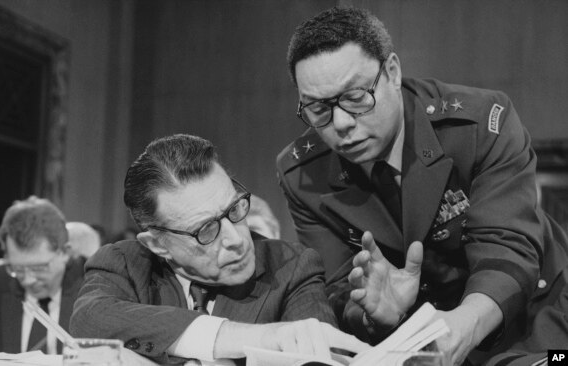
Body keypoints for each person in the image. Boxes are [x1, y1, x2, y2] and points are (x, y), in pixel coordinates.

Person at [276, 6, 568, 365]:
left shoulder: (478, 125)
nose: (340, 123)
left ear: (393, 72)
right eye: (318, 108)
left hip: (533, 314)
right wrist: (374, 315)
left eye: (355, 98)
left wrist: (457, 330)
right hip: (420, 343)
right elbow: (338, 289)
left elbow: (507, 249)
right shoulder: (302, 174)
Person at [70, 134, 369, 365]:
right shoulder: (123, 264)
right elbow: (90, 318)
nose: (236, 240)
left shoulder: (291, 266)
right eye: (205, 230)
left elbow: (318, 354)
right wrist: (255, 338)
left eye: (235, 209)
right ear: (158, 244)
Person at [0, 196, 85, 354]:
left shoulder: (92, 286)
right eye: (18, 269)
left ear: (65, 252)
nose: (28, 280)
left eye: (39, 268)